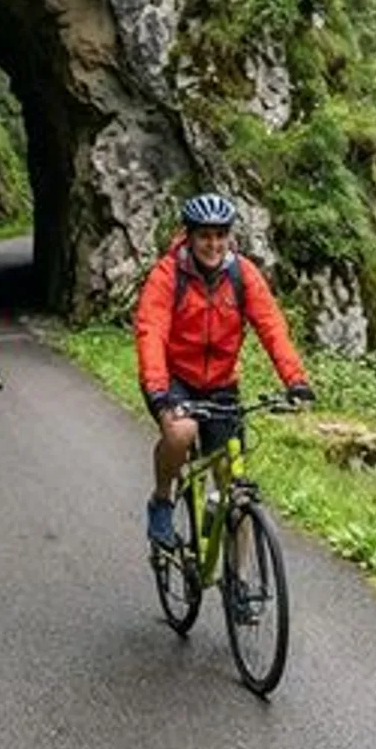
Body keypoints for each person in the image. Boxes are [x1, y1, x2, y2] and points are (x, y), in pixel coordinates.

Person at [134, 191, 313, 545]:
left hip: (220, 383)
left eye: (220, 235)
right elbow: (151, 331)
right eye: (204, 235)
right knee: (182, 431)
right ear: (189, 236)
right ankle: (162, 499)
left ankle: (241, 586)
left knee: (234, 492)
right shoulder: (168, 275)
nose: (213, 244)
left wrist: (295, 379)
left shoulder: (243, 274)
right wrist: (158, 390)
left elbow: (272, 327)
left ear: (229, 236)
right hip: (174, 378)